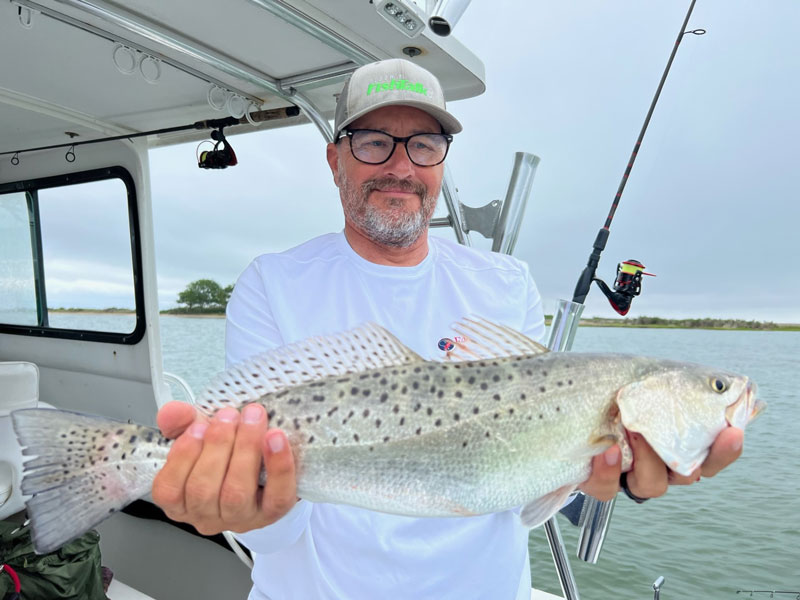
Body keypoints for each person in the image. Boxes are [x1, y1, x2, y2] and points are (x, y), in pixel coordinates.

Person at [152, 58, 744, 599]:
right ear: (335, 160)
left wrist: (612, 475)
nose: (401, 166)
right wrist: (244, 506)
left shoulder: (506, 283)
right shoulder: (272, 283)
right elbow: (277, 534)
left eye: (425, 144)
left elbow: (522, 481)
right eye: (375, 142)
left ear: (443, 159)